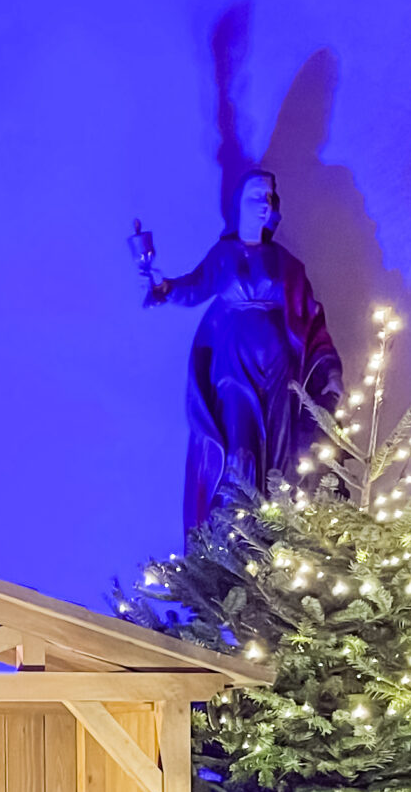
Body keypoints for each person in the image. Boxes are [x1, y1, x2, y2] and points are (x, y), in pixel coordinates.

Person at [135, 169, 345, 533]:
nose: (263, 205)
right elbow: (194, 288)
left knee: (280, 452)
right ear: (238, 206)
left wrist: (330, 370)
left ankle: (277, 534)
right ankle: (234, 536)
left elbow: (312, 319)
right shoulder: (224, 255)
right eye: (255, 197)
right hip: (233, 368)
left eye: (269, 198)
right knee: (239, 448)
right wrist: (163, 286)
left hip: (280, 372)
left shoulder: (288, 265)